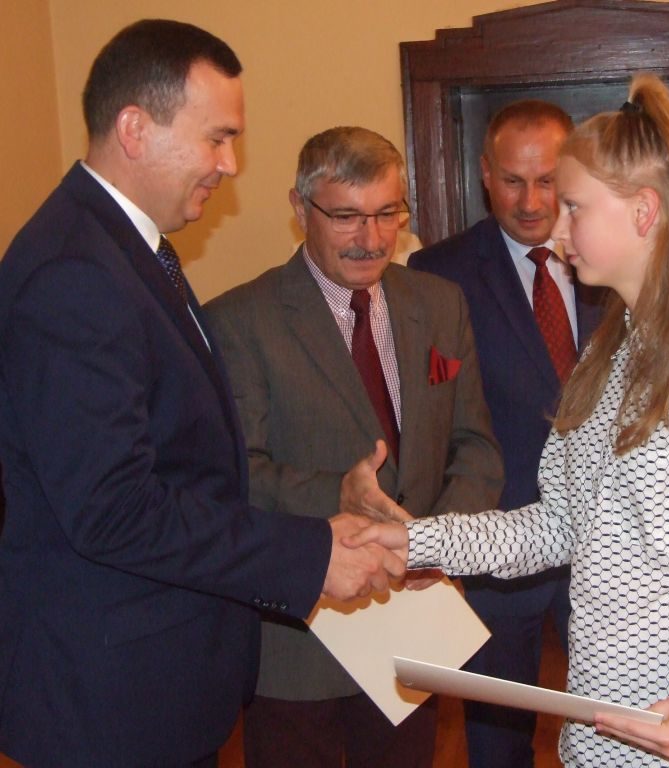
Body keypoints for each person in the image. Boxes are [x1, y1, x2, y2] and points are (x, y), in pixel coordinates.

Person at [352, 74, 669, 768]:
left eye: (574, 207)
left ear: (644, 212)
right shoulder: (607, 354)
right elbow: (555, 525)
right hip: (599, 736)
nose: (555, 229)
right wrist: (414, 542)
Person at [0, 21, 403, 768]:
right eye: (216, 139)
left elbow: (190, 461)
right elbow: (114, 509)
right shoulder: (74, 273)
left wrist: (323, 510)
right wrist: (307, 555)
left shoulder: (128, 248)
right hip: (110, 705)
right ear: (135, 129)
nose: (229, 164)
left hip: (155, 680)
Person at [204, 125, 505, 768]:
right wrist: (336, 496)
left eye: (387, 213)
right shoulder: (239, 320)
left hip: (416, 618)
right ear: (299, 208)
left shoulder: (439, 303)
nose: (371, 239)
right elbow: (237, 476)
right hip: (300, 640)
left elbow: (475, 444)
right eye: (346, 217)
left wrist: (437, 543)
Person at [408, 99, 606, 767]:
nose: (530, 201)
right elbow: (431, 419)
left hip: (610, 539)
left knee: (619, 722)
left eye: (548, 180)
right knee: (497, 734)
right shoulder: (436, 275)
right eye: (513, 181)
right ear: (485, 174)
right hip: (497, 539)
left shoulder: (614, 257)